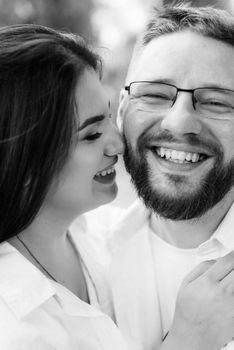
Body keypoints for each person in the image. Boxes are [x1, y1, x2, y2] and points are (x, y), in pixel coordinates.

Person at [0, 21, 233, 350]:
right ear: (23, 161)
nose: (119, 144)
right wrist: (188, 341)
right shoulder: (14, 323)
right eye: (91, 134)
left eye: (217, 102)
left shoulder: (88, 241)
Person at [76, 3, 234, 350]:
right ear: (121, 111)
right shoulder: (77, 258)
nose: (178, 122)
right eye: (155, 95)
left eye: (216, 102)